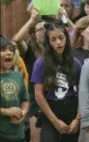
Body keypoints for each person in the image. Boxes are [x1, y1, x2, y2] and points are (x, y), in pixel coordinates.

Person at [31, 20, 82, 142]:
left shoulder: (76, 63)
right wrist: (55, 121)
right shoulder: (41, 63)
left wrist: (78, 119)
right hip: (50, 110)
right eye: (53, 39)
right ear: (48, 42)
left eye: (61, 38)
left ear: (66, 38)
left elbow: (82, 93)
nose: (58, 43)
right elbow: (38, 94)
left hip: (71, 109)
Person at [12, 7, 45, 142]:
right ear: (33, 35)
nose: (45, 31)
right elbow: (17, 39)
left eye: (47, 28)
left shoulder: (59, 51)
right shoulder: (30, 51)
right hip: (35, 99)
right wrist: (32, 19)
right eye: (41, 30)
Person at [0, 35, 29, 142]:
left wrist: (23, 112)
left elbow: (25, 100)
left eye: (11, 50)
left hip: (18, 135)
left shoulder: (17, 76)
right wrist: (7, 112)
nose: (9, 52)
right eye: (3, 50)